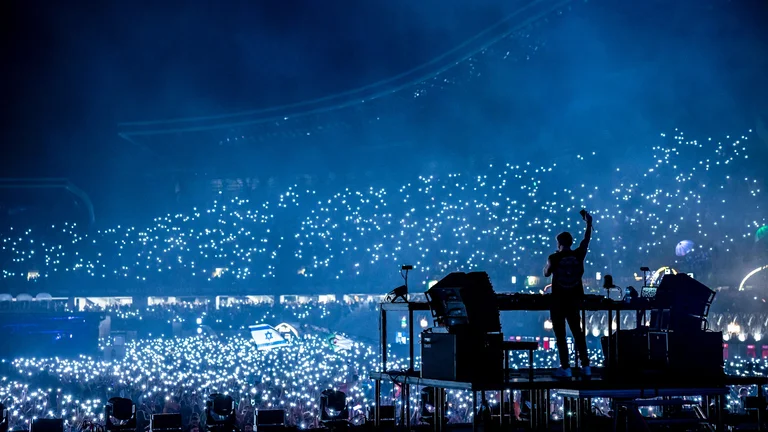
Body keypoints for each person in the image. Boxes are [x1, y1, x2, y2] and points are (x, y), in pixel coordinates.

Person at [543, 209, 592, 378]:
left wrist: (550, 262)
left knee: (561, 336)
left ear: (559, 243)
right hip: (575, 301)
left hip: (558, 302)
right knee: (578, 334)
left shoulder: (554, 258)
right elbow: (586, 240)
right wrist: (589, 224)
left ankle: (566, 367)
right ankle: (586, 366)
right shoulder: (578, 254)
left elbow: (546, 273)